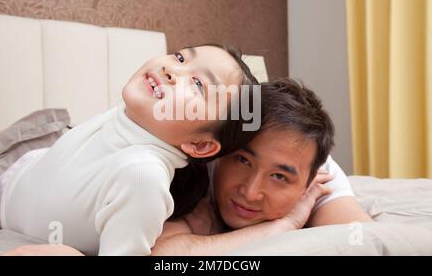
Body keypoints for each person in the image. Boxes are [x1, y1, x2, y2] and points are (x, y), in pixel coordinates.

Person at [0, 44, 259, 256]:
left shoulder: (143, 176)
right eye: (181, 57)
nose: (172, 71)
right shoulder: (133, 115)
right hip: (14, 181)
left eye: (199, 84)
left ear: (200, 145)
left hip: (8, 208)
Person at [151, 79, 373, 255]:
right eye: (243, 161)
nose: (250, 192)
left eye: (278, 176)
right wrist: (281, 226)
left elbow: (366, 242)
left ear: (306, 186)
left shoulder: (319, 177)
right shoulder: (196, 159)